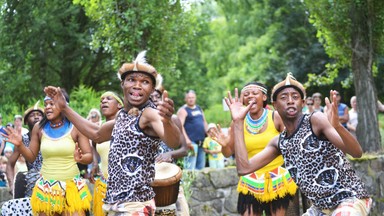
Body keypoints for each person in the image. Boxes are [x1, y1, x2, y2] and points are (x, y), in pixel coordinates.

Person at [44, 50, 181, 215]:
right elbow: (96, 134)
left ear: (152, 89)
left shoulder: (149, 114)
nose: (137, 85)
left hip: (135, 205)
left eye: (145, 82)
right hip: (113, 204)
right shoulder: (123, 116)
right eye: (131, 80)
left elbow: (173, 142)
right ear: (122, 84)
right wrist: (65, 108)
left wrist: (167, 122)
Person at [225, 73, 371, 215]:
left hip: (349, 199)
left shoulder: (315, 120)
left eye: (295, 97)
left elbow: (356, 152)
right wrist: (238, 122)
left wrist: (338, 127)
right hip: (320, 209)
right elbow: (244, 168)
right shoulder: (279, 142)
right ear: (275, 105)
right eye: (283, 97)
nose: (290, 100)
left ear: (302, 102)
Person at [211, 82, 297, 216]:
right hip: (250, 179)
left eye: (254, 93)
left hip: (276, 178)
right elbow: (228, 154)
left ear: (263, 97)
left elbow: (290, 146)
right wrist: (224, 145)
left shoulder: (276, 116)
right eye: (246, 94)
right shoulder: (237, 122)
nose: (250, 96)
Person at [3, 89, 93, 215]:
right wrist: (20, 145)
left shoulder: (75, 126)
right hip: (47, 189)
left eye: (52, 104)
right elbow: (31, 157)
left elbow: (89, 156)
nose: (47, 108)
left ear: (63, 105)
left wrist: (81, 158)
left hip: (71, 187)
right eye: (46, 105)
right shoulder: (39, 128)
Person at [150, 85, 190, 216]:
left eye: (158, 96)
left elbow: (185, 149)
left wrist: (170, 153)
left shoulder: (174, 120)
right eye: (151, 97)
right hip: (149, 184)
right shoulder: (142, 122)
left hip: (172, 183)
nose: (155, 99)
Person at [90, 91, 123, 216]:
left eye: (109, 99)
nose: (103, 101)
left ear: (119, 105)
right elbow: (94, 144)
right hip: (103, 184)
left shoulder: (126, 125)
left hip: (122, 187)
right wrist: (95, 163)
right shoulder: (100, 128)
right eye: (102, 100)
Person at [177, 90, 208, 170]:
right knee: (190, 168)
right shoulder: (183, 110)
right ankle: (189, 182)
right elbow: (180, 126)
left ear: (195, 98)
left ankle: (200, 183)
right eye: (189, 98)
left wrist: (209, 134)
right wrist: (186, 140)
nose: (191, 99)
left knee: (201, 167)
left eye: (192, 97)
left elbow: (204, 122)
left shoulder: (199, 108)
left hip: (201, 141)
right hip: (191, 143)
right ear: (185, 99)